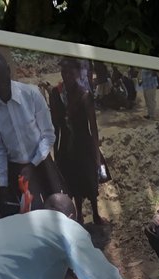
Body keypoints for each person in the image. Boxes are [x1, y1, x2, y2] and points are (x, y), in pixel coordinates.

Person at [0, 47, 61, 212]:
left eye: (3, 80)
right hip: (18, 172)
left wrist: (32, 164)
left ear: (8, 70)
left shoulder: (32, 94)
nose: (1, 88)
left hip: (42, 163)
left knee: (58, 207)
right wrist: (3, 184)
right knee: (32, 214)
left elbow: (48, 135)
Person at [49, 58, 103, 224]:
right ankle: (79, 214)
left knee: (89, 178)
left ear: (78, 73)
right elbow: (55, 125)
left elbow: (93, 127)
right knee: (72, 180)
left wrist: (96, 153)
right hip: (65, 146)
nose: (66, 76)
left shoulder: (84, 96)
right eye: (63, 72)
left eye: (70, 72)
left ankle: (95, 213)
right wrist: (55, 152)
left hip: (83, 145)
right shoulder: (56, 94)